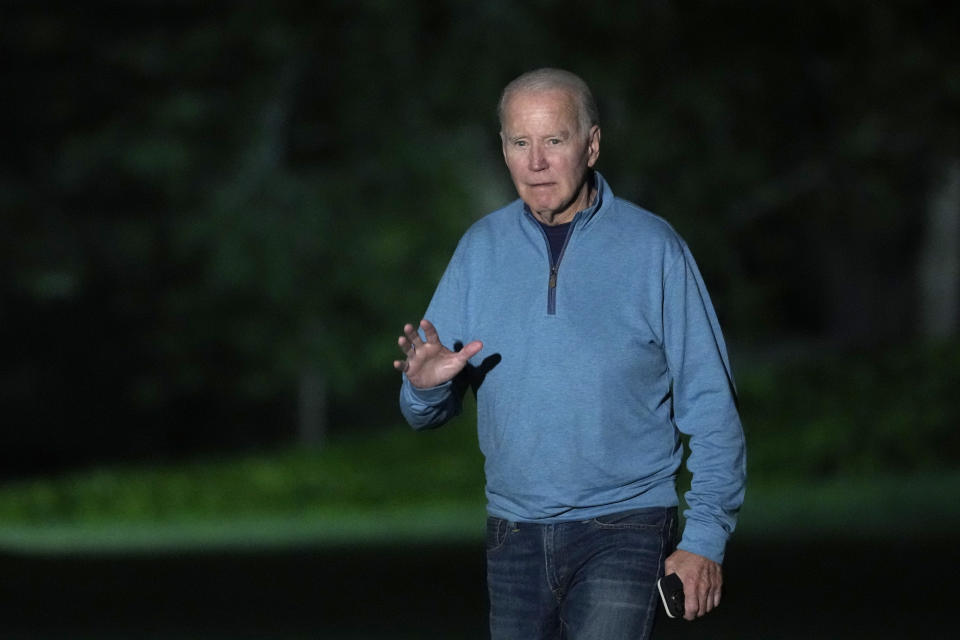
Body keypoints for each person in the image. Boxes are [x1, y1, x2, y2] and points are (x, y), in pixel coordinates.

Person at [394, 68, 746, 639]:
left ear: (592, 144)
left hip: (627, 523)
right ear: (504, 149)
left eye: (554, 140)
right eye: (519, 142)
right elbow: (422, 412)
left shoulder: (654, 248)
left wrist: (704, 538)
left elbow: (711, 403)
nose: (536, 162)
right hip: (513, 530)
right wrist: (426, 386)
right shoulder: (479, 250)